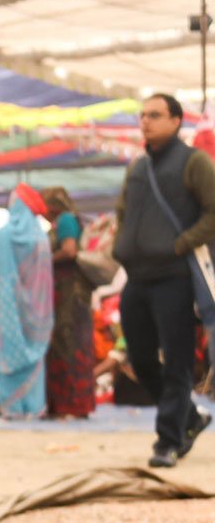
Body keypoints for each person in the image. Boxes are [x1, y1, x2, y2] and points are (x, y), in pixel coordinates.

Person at [114, 93, 215, 467]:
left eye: (154, 115)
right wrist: (120, 245)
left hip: (174, 276)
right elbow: (123, 211)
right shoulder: (137, 167)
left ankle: (168, 441)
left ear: (175, 121)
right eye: (142, 115)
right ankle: (189, 418)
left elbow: (213, 212)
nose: (145, 121)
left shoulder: (194, 163)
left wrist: (180, 245)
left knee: (177, 361)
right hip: (136, 276)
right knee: (139, 359)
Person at [0, 184, 54, 418]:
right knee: (34, 353)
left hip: (10, 308)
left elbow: (0, 278)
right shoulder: (41, 238)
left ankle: (13, 407)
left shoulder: (3, 236)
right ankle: (34, 406)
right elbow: (45, 281)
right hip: (38, 311)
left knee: (11, 349)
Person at [42, 186, 96, 419]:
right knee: (72, 342)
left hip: (69, 294)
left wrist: (44, 260)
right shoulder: (69, 219)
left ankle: (70, 404)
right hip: (70, 293)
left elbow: (69, 250)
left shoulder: (65, 220)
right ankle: (73, 404)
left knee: (67, 342)